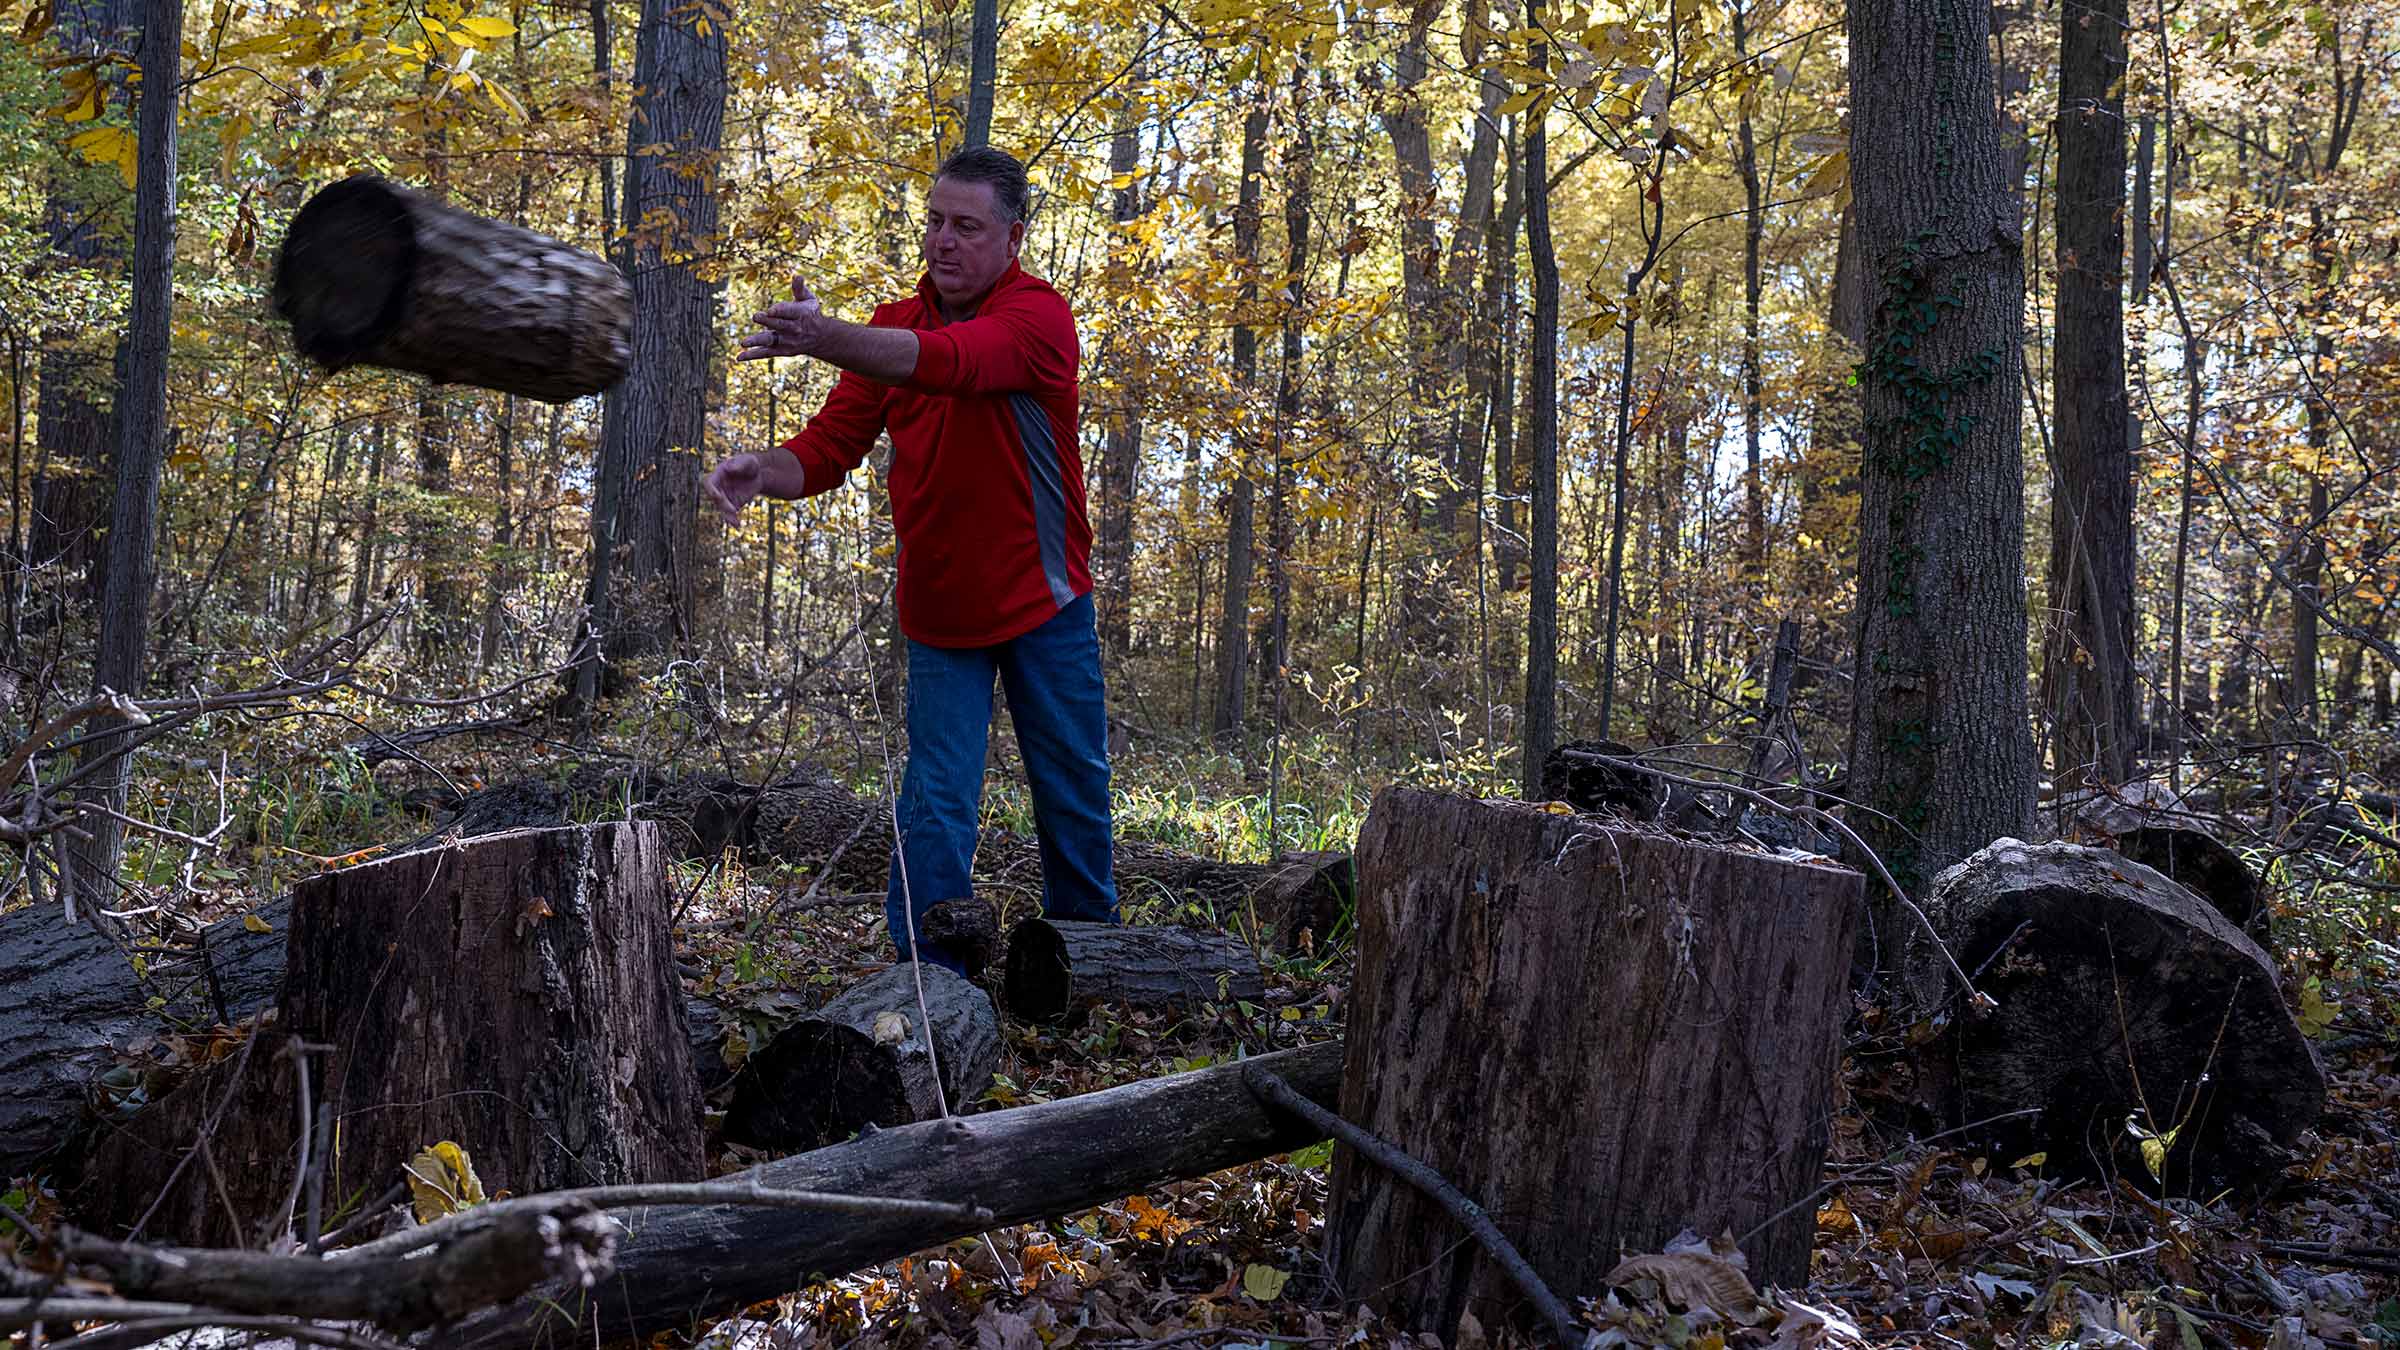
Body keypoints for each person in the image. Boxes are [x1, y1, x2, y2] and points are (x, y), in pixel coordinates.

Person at [703, 145, 1118, 971]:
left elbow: (954, 366)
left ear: (1012, 238)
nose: (942, 240)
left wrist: (824, 335)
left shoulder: (1038, 319)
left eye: (966, 225)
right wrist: (765, 470)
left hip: (1047, 600)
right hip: (940, 613)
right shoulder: (890, 328)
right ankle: (929, 974)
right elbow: (827, 448)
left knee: (1072, 785)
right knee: (934, 800)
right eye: (934, 221)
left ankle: (1088, 956)